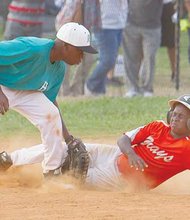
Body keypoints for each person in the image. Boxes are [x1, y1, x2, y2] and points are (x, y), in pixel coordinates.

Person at [1, 94, 190, 191]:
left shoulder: (187, 149)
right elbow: (124, 139)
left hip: (118, 180)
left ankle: (25, 179)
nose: (174, 117)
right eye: (174, 113)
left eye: (180, 116)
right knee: (68, 149)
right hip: (113, 154)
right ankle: (10, 159)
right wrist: (131, 153)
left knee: (70, 176)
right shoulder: (157, 126)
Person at [0, 22, 97, 177]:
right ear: (66, 46)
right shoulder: (33, 48)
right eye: (80, 51)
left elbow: (50, 101)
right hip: (2, 84)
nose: (82, 57)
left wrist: (69, 139)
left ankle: (51, 171)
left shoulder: (59, 69)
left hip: (23, 90)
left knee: (50, 114)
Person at [85, 0, 128, 96]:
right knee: (108, 60)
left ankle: (98, 89)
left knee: (108, 59)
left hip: (119, 23)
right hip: (104, 25)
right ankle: (91, 84)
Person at [123, 0, 163, 98]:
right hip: (131, 24)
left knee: (150, 57)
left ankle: (147, 88)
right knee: (130, 58)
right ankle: (132, 88)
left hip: (152, 27)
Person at [161, 0, 176, 81]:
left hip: (167, 6)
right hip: (150, 5)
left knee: (171, 42)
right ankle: (143, 72)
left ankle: (174, 71)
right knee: (146, 40)